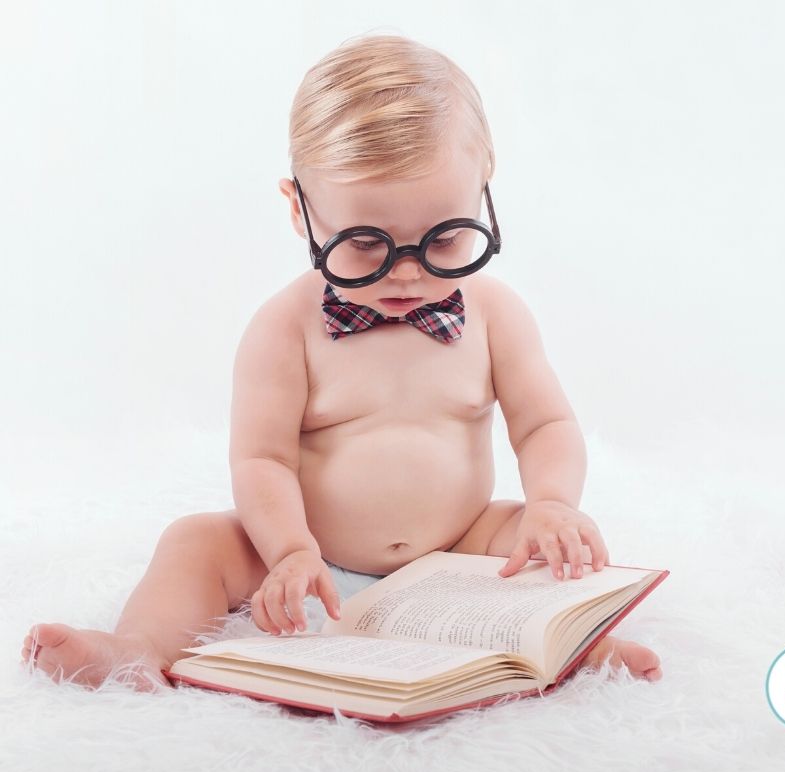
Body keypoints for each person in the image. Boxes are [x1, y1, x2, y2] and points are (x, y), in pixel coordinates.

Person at [21, 33, 662, 691]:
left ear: (483, 197)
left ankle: (572, 648)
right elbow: (262, 459)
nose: (408, 272)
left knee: (544, 543)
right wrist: (289, 549)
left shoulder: (495, 314)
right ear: (301, 210)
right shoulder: (284, 328)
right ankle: (134, 650)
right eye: (364, 245)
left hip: (461, 542)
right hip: (310, 548)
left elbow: (545, 425)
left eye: (443, 238)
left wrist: (552, 502)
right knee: (195, 542)